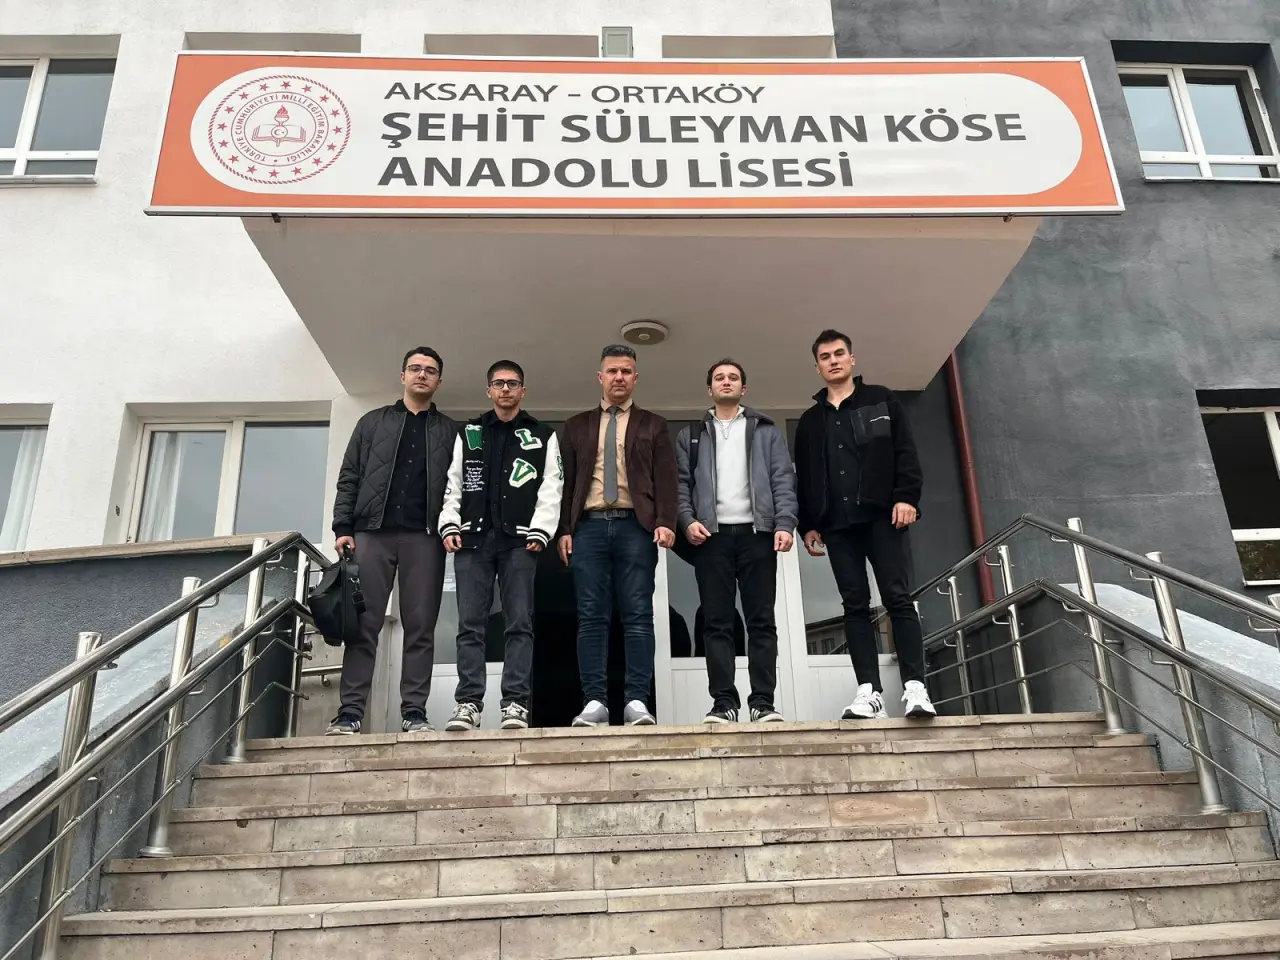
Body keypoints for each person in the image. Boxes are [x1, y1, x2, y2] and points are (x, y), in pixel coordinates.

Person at [793, 330, 936, 721]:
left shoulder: (881, 399)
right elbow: (805, 477)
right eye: (825, 356)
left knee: (897, 598)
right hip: (837, 526)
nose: (833, 360)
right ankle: (869, 692)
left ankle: (915, 687)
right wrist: (808, 524)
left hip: (882, 517)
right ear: (818, 366)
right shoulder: (810, 421)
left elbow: (905, 452)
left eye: (839, 353)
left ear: (852, 359)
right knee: (853, 605)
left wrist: (906, 497)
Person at [327, 348, 459, 735]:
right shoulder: (371, 423)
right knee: (363, 625)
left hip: (425, 538)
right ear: (402, 376)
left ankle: (414, 713)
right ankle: (350, 713)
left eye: (430, 371)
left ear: (438, 381)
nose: (422, 375)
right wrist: (342, 527)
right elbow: (350, 476)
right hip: (372, 534)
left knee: (421, 627)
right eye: (415, 368)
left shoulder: (450, 431)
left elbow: (458, 486)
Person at [438, 361, 563, 731]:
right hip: (472, 540)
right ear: (488, 390)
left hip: (520, 541)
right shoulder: (469, 432)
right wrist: (449, 522)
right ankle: (468, 704)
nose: (505, 389)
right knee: (470, 625)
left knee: (519, 623)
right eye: (499, 383)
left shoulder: (542, 434)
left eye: (513, 383)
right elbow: (454, 480)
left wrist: (541, 529)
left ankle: (515, 704)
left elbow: (552, 484)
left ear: (523, 390)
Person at [558, 345, 678, 726]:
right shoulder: (576, 426)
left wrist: (666, 521)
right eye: (612, 371)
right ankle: (594, 700)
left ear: (636, 378)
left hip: (635, 527)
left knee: (638, 614)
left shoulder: (654, 424)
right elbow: (565, 483)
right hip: (589, 527)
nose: (619, 377)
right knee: (591, 616)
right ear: (600, 377)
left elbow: (667, 479)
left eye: (626, 371)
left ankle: (636, 701)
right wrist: (564, 529)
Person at [676, 359, 798, 724]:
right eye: (719, 378)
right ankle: (724, 703)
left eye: (733, 378)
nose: (726, 382)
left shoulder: (766, 430)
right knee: (717, 623)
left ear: (743, 388)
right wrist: (687, 521)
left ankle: (762, 702)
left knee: (761, 622)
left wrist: (784, 523)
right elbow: (680, 485)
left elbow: (782, 479)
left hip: (757, 536)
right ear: (709, 389)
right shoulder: (691, 435)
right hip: (711, 539)